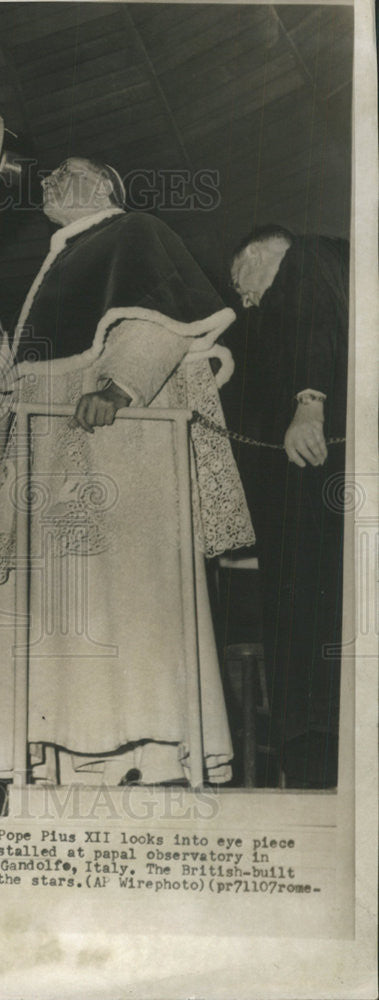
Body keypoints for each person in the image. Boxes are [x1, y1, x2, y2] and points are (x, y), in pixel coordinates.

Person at [0, 157, 254, 788]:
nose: (44, 181)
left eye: (62, 173)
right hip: (56, 476)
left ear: (102, 187)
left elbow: (164, 324)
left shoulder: (134, 233)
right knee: (60, 610)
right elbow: (40, 387)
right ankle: (72, 759)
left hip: (120, 456)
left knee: (127, 602)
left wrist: (119, 388)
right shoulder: (64, 259)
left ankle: (151, 754)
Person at [229, 225, 348, 787]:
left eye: (242, 282)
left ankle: (311, 745)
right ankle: (313, 743)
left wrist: (310, 402)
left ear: (260, 254)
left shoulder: (304, 257)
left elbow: (314, 322)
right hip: (326, 476)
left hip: (322, 465)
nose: (246, 300)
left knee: (311, 612)